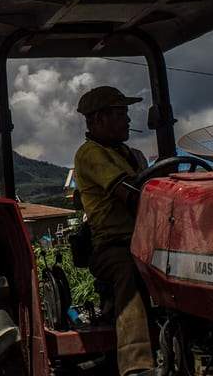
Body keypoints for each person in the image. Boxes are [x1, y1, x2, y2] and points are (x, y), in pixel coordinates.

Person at [74, 86, 158, 376]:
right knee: (129, 270)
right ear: (98, 119)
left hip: (146, 239)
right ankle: (137, 365)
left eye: (126, 113)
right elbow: (130, 194)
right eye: (120, 114)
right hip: (113, 246)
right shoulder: (90, 154)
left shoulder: (129, 153)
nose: (128, 120)